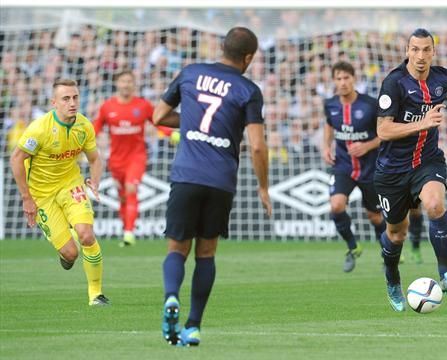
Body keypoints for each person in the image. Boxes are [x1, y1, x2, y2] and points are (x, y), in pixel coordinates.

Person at [152, 27, 271, 347]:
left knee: (177, 249)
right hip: (220, 181)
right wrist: (263, 187)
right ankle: (193, 326)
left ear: (222, 47)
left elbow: (158, 116)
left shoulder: (191, 74)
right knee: (206, 253)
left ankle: (171, 297)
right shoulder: (248, 90)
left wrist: (190, 119)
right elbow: (258, 146)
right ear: (248, 57)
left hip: (186, 175)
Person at [375, 28, 447, 312]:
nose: (420, 56)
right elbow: (383, 130)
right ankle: (392, 280)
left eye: (426, 49)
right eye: (415, 49)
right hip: (392, 170)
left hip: (427, 161)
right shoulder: (394, 83)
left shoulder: (442, 76)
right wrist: (422, 124)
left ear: (433, 52)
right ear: (407, 51)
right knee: (396, 233)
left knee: (435, 204)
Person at [10, 78, 109, 306]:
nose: (72, 103)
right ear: (54, 102)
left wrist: (94, 180)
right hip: (42, 194)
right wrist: (27, 199)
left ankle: (96, 294)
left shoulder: (84, 127)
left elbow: (95, 159)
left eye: (75, 97)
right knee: (70, 253)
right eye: (66, 98)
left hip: (71, 185)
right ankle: (67, 251)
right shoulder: (40, 129)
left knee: (86, 234)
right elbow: (16, 159)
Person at [322, 61, 386, 272]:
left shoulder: (369, 104)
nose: (342, 83)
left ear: (354, 79)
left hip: (370, 168)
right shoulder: (330, 104)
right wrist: (326, 146)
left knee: (375, 216)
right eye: (338, 79)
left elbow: (384, 133)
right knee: (336, 206)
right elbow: (329, 125)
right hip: (343, 166)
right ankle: (352, 247)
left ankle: (387, 250)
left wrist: (367, 146)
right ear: (334, 81)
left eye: (346, 78)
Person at [93, 70, 158, 247]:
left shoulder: (143, 105)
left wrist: (173, 135)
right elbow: (95, 128)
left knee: (131, 188)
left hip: (137, 156)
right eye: (123, 81)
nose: (126, 85)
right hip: (116, 160)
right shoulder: (107, 107)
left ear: (134, 84)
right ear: (117, 84)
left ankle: (129, 233)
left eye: (129, 81)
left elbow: (158, 121)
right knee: (122, 196)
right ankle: (125, 230)